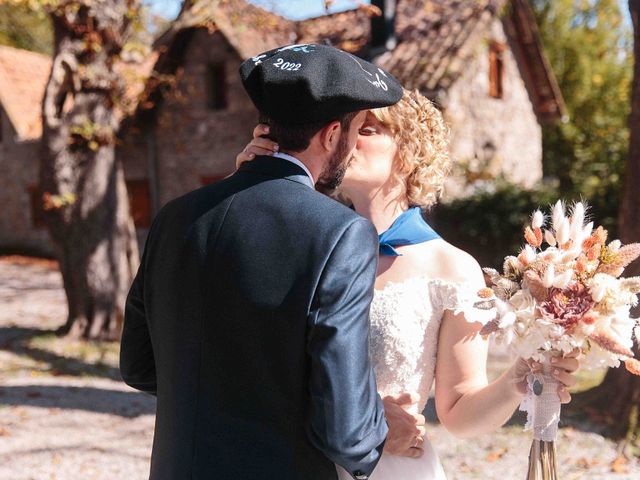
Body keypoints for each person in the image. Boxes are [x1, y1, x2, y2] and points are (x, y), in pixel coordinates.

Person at [236, 89, 580, 479]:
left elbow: (459, 414)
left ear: (409, 150)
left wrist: (517, 379)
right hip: (291, 462)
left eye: (365, 129)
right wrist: (249, 189)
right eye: (341, 128)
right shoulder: (300, 246)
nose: (343, 139)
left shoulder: (450, 268)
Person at [119, 44, 427, 480]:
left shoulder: (175, 216)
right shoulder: (339, 232)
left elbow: (140, 365)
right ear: (331, 134)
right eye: (356, 130)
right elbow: (347, 432)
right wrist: (381, 434)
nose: (355, 145)